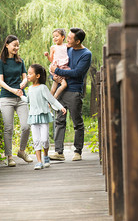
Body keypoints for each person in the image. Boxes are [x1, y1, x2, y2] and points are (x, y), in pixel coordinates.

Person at [49, 28, 92, 161]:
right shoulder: (66, 49)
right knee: (59, 121)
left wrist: (57, 71)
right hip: (61, 89)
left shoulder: (86, 54)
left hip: (74, 91)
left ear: (78, 41)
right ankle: (58, 152)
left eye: (69, 38)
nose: (66, 40)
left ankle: (77, 151)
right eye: (66, 37)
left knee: (77, 122)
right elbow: (57, 66)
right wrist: (54, 76)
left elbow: (77, 73)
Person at [20, 64, 66, 170]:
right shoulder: (30, 89)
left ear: (38, 76)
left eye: (30, 73)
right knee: (36, 140)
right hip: (33, 117)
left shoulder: (43, 88)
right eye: (28, 73)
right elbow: (27, 100)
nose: (28, 75)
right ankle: (39, 162)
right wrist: (20, 95)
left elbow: (51, 99)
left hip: (43, 116)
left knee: (44, 139)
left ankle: (46, 156)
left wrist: (60, 107)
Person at [0, 35, 33, 167]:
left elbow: (25, 77)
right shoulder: (1, 62)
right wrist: (13, 90)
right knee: (8, 128)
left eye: (18, 45)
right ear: (7, 45)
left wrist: (23, 84)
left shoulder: (20, 61)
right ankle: (9, 156)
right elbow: (0, 81)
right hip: (6, 98)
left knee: (26, 126)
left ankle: (22, 151)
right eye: (14, 45)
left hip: (20, 98)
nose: (16, 48)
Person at [44, 28, 70, 99]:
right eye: (53, 37)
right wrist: (47, 56)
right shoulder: (53, 47)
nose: (55, 38)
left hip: (63, 68)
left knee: (63, 85)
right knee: (56, 85)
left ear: (63, 37)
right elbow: (51, 60)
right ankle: (51, 100)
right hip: (56, 67)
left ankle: (53, 99)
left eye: (57, 36)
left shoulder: (66, 46)